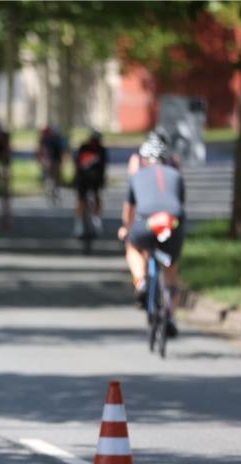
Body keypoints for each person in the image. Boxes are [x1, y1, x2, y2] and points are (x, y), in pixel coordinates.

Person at [118, 136, 185, 338]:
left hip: (147, 222)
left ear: (143, 160)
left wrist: (125, 228)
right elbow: (180, 206)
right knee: (171, 267)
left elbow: (128, 212)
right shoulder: (176, 175)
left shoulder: (137, 176)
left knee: (132, 245)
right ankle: (170, 315)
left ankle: (141, 282)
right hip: (172, 222)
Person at [72, 129, 108, 237]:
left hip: (95, 178)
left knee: (97, 196)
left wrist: (102, 179)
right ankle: (79, 223)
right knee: (81, 200)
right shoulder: (84, 148)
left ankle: (96, 219)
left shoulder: (101, 150)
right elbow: (77, 164)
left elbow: (103, 167)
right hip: (83, 178)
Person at [37, 125, 65, 196]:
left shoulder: (54, 139)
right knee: (51, 174)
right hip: (50, 159)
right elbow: (42, 149)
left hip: (54, 159)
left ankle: (54, 188)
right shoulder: (46, 139)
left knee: (55, 174)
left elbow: (60, 150)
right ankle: (51, 187)